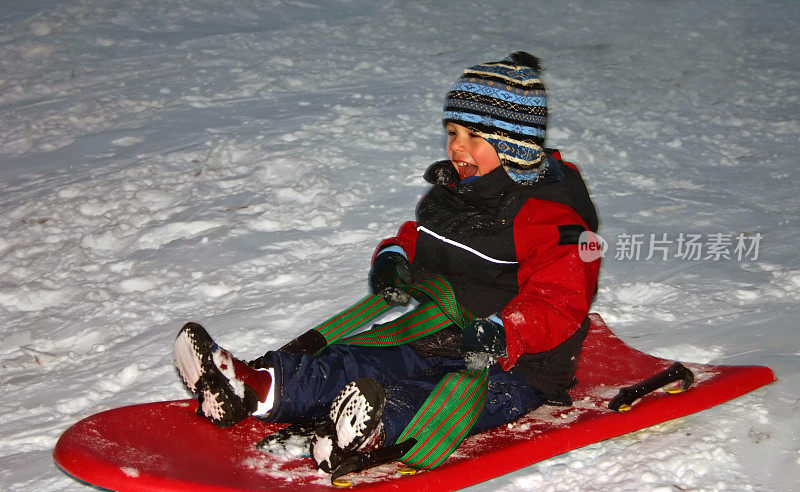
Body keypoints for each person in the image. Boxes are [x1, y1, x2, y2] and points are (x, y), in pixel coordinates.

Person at [173, 51, 600, 474]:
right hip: (439, 335)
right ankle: (255, 388)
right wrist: (395, 257)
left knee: (439, 397)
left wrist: (506, 332)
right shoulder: (453, 195)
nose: (456, 146)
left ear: (515, 145)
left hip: (517, 367)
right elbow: (415, 238)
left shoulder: (550, 217)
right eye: (452, 132)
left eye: (474, 137)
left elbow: (562, 297)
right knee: (360, 359)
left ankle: (368, 430)